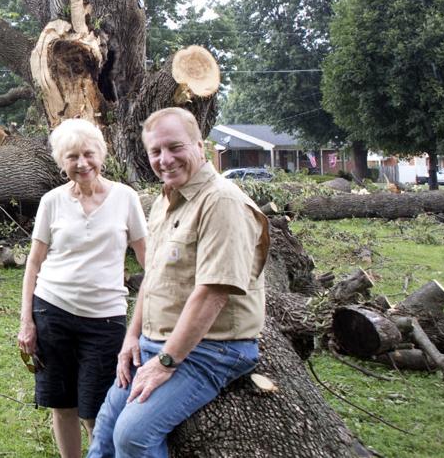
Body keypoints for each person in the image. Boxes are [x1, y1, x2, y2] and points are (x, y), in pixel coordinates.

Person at [86, 107, 271, 458]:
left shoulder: (221, 201)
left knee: (132, 436)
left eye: (175, 147)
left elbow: (213, 294)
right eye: (155, 152)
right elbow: (153, 276)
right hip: (156, 340)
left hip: (212, 349)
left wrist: (166, 362)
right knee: (106, 429)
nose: (165, 159)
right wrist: (131, 337)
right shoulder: (163, 201)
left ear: (200, 146)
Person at [18, 118, 147, 458]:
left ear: (101, 154)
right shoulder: (52, 202)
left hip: (106, 319)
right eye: (72, 157)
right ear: (62, 162)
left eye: (88, 154)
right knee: (61, 405)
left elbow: (150, 261)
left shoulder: (126, 198)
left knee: (98, 407)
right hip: (52, 311)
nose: (82, 163)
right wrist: (26, 323)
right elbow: (34, 262)